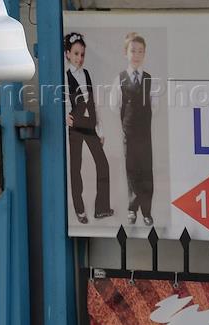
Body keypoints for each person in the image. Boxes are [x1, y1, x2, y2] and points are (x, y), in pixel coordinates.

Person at [64, 32, 112, 224]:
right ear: (68, 54)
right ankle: (80, 210)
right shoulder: (65, 76)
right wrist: (65, 117)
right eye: (76, 54)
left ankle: (101, 208)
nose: (79, 58)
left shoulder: (86, 74)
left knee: (103, 164)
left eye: (82, 54)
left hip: (90, 125)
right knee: (76, 168)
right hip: (75, 126)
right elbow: (62, 100)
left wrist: (100, 128)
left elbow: (93, 103)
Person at [115, 32, 154, 226]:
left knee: (146, 171)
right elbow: (115, 105)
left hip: (144, 135)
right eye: (133, 51)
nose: (136, 55)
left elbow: (155, 105)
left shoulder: (149, 79)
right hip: (128, 134)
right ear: (126, 53)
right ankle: (132, 209)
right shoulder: (120, 79)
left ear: (144, 53)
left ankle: (146, 211)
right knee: (132, 171)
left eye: (140, 51)